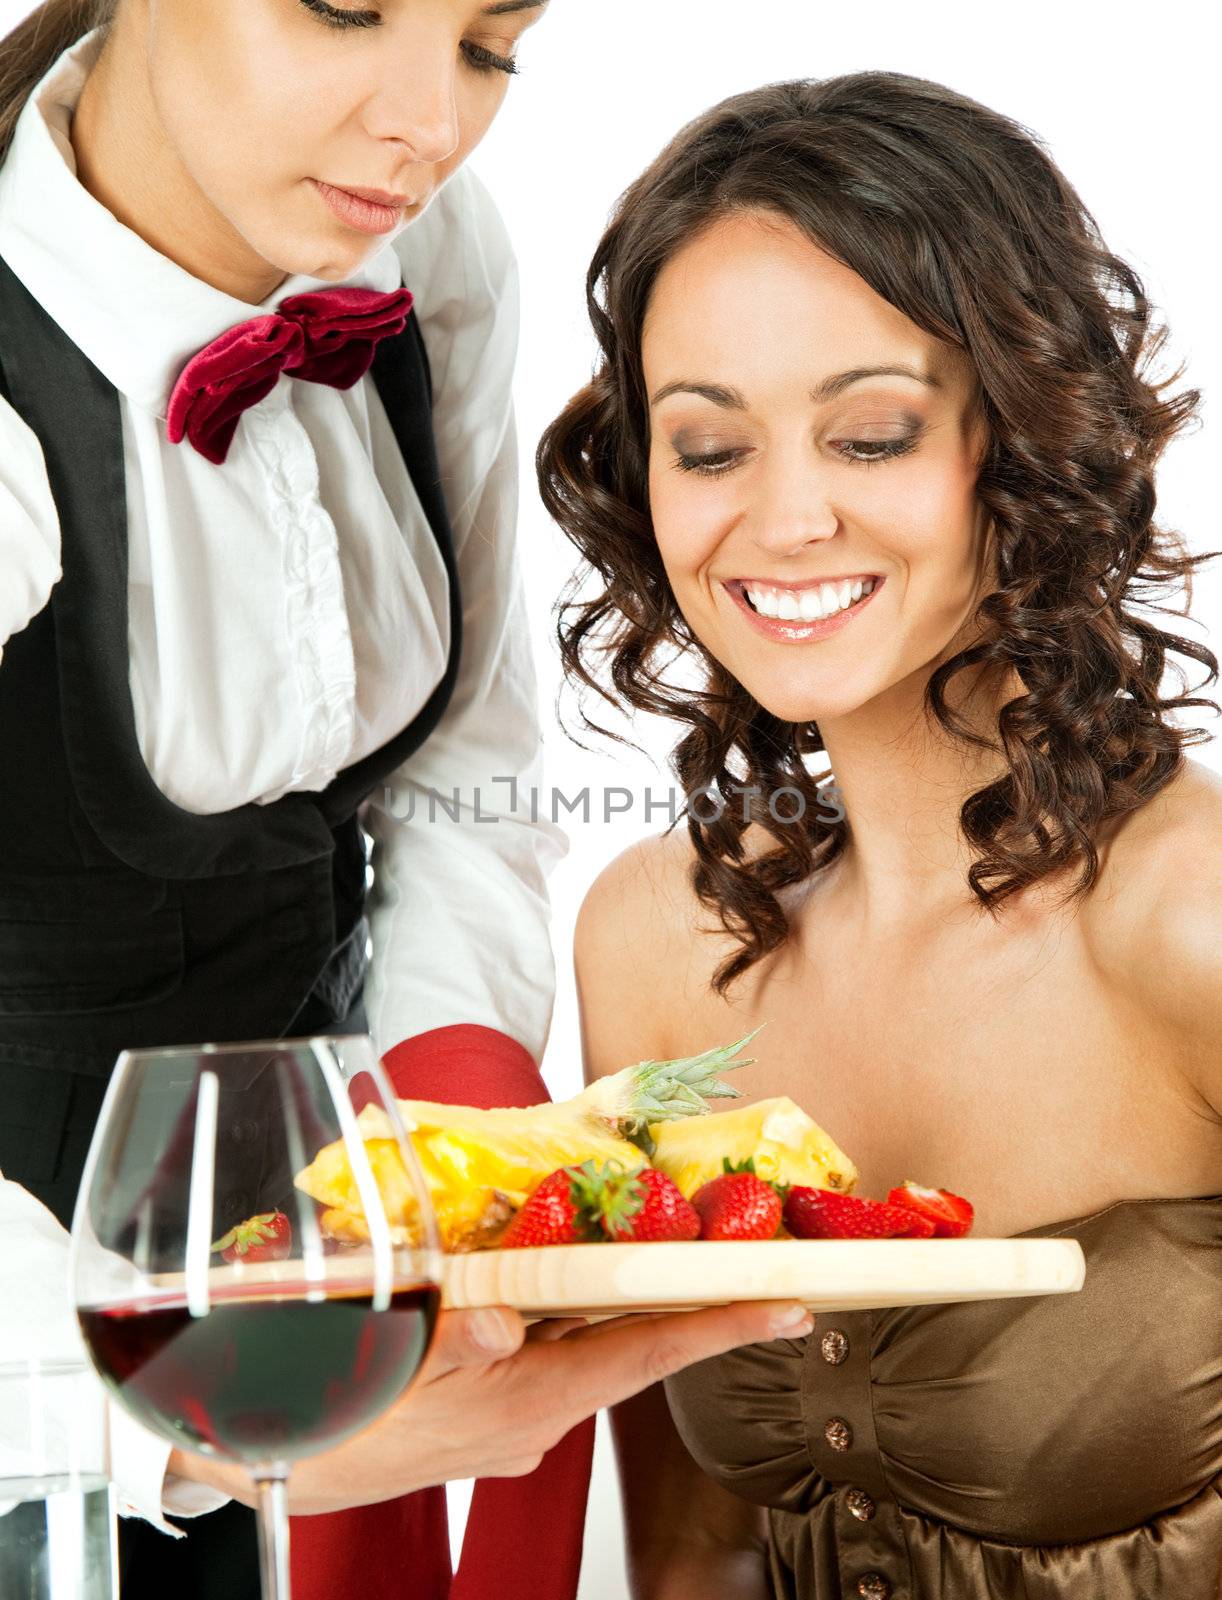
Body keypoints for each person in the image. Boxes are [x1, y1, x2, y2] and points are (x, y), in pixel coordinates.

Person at [0, 5, 815, 1598]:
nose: (428, 124)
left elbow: (462, 766)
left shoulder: (427, 252)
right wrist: (166, 1422)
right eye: (346, 7)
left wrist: (452, 1126)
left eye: (490, 43)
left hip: (295, 1288)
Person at [538, 73, 1222, 1600]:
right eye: (708, 448)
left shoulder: (1194, 919)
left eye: (869, 436)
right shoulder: (655, 947)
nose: (780, 521)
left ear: (1026, 439)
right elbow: (687, 1560)